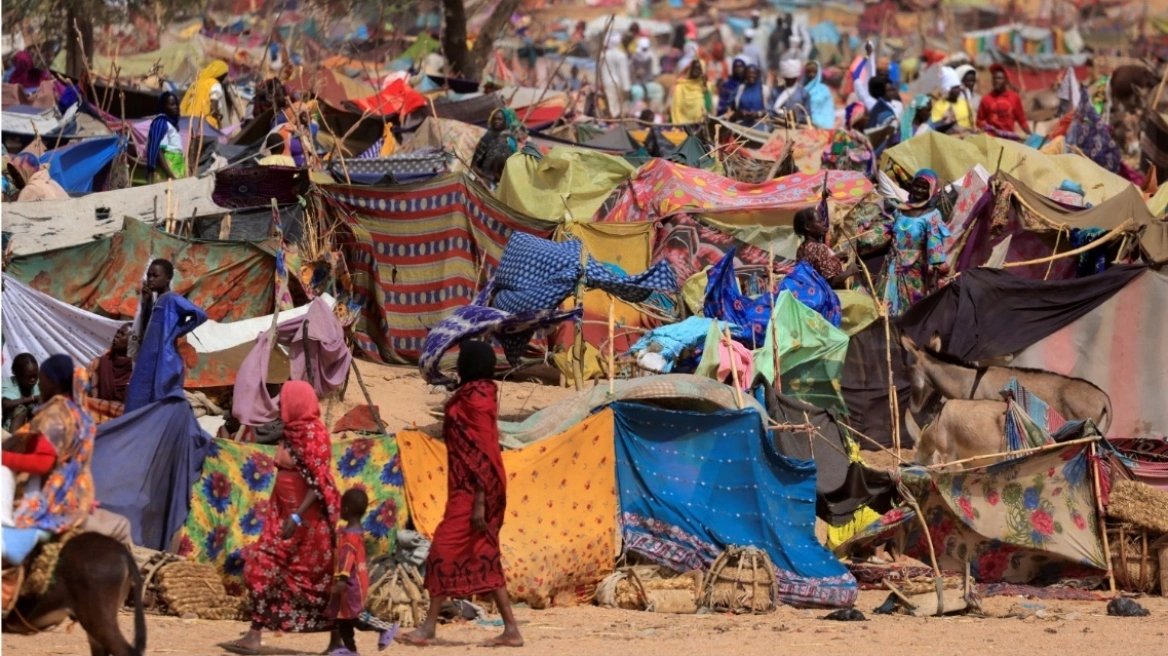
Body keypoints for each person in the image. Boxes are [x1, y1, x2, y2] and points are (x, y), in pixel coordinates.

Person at [398, 341, 522, 648]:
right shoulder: (474, 394)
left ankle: (428, 628)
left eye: (463, 361)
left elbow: (484, 450)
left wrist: (480, 499)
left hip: (476, 489)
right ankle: (511, 630)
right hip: (465, 486)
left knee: (442, 550)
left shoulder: (477, 399)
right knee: (484, 552)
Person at [225, 381, 341, 655]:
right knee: (261, 567)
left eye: (284, 399)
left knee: (314, 582)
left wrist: (297, 517)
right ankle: (254, 634)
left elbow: (318, 482)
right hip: (284, 518)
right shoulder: (291, 431)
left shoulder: (314, 434)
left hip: (307, 524)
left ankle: (337, 640)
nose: (279, 404)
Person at [854, 170, 952, 316]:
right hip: (892, 267)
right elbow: (887, 232)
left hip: (915, 270)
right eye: (916, 186)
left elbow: (935, 248)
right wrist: (865, 230)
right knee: (884, 306)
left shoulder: (932, 215)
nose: (919, 190)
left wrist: (935, 278)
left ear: (931, 190)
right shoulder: (900, 210)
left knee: (911, 309)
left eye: (924, 187)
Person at [324, 488, 398, 655]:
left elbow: (347, 560)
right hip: (354, 580)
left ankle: (387, 626)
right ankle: (351, 650)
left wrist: (341, 580)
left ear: (346, 510)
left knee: (356, 617)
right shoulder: (356, 533)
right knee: (343, 619)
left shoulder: (350, 536)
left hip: (351, 583)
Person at [778, 208, 850, 327]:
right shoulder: (819, 248)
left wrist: (835, 258)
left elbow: (814, 269)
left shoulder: (802, 249)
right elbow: (831, 282)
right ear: (808, 226)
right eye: (820, 221)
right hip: (828, 303)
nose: (824, 224)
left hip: (811, 301)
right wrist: (850, 271)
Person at [86, 324, 134, 423]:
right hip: (96, 423)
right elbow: (84, 394)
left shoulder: (136, 371)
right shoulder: (98, 364)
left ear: (132, 341)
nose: (117, 336)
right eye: (117, 332)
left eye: (122, 334)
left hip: (123, 425)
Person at [471, 108, 522, 187]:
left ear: (505, 121)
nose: (496, 121)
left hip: (504, 181)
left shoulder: (511, 140)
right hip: (485, 179)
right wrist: (487, 177)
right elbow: (474, 166)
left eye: (500, 119)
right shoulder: (486, 139)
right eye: (494, 119)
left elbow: (513, 164)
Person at [977, 64, 1030, 137]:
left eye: (999, 78)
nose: (996, 81)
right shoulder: (985, 99)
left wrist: (1031, 135)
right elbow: (979, 121)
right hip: (992, 139)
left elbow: (1022, 120)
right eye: (994, 78)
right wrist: (987, 127)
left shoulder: (1014, 98)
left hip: (1010, 139)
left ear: (1006, 81)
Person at [821, 103, 874, 175]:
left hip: (862, 177)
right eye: (865, 115)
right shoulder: (841, 134)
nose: (868, 118)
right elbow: (834, 158)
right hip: (843, 177)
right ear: (857, 117)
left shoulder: (865, 137)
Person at [144, 91, 187, 182]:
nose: (175, 107)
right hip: (169, 169)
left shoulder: (173, 125)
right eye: (171, 104)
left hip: (177, 166)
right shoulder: (161, 124)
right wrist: (171, 176)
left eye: (176, 104)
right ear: (164, 106)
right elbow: (159, 152)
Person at [180, 60, 230, 128]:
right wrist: (218, 116)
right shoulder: (214, 84)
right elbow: (213, 110)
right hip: (204, 124)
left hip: (189, 121)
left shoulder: (197, 83)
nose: (224, 78)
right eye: (224, 76)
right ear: (219, 74)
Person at [3, 354, 39, 433]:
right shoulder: (10, 383)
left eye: (35, 376)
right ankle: (12, 442)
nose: (33, 380)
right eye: (28, 377)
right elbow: (6, 404)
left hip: (32, 426)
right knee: (21, 409)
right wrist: (32, 398)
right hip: (10, 427)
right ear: (18, 375)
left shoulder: (40, 384)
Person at [931, 67, 974, 131]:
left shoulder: (964, 103)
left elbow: (972, 122)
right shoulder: (939, 106)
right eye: (955, 88)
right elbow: (934, 127)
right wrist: (944, 121)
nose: (958, 90)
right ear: (948, 89)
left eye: (959, 87)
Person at [671, 59, 713, 125]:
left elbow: (709, 108)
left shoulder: (706, 86)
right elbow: (674, 109)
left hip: (699, 125)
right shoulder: (681, 86)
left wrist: (705, 90)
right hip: (680, 125)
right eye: (694, 68)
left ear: (703, 71)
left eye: (699, 68)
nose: (695, 70)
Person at [770, 59, 810, 125]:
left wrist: (796, 118)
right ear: (784, 78)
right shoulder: (776, 92)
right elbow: (770, 111)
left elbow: (807, 114)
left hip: (797, 128)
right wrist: (782, 117)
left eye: (793, 78)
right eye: (788, 79)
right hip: (778, 127)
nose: (790, 81)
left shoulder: (803, 93)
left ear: (796, 77)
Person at [730, 64, 770, 129]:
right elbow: (734, 109)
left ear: (757, 74)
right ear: (745, 75)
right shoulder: (741, 89)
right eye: (748, 73)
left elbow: (769, 111)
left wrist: (758, 114)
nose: (751, 75)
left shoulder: (764, 90)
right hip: (742, 127)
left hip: (759, 128)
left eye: (753, 73)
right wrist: (741, 113)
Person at [600, 33, 631, 118]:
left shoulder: (603, 55)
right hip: (617, 83)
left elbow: (600, 71)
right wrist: (626, 88)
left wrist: (601, 83)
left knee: (610, 104)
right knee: (616, 106)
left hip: (606, 83)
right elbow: (623, 73)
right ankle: (615, 123)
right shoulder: (621, 55)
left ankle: (612, 121)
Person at [802, 61, 836, 129]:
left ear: (818, 73)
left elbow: (828, 109)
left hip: (823, 123)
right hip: (806, 123)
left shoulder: (824, 90)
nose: (811, 75)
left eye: (814, 72)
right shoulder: (802, 89)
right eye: (809, 72)